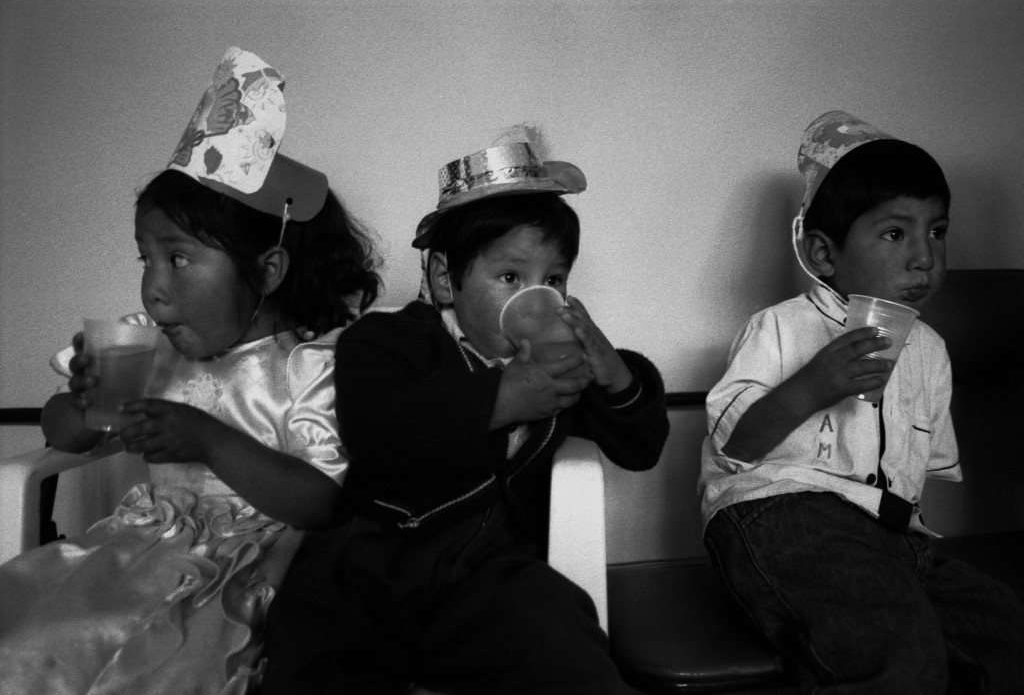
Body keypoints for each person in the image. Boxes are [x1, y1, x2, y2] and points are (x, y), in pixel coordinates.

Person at [0, 48, 380, 695]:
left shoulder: (309, 365)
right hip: (130, 554)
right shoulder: (146, 348)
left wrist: (205, 439)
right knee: (34, 642)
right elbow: (66, 436)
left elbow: (320, 502)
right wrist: (82, 399)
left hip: (241, 571)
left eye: (178, 259)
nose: (152, 289)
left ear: (267, 271)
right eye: (144, 258)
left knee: (169, 669)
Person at [262, 137, 670, 694]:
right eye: (510, 277)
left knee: (555, 625)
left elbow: (642, 447)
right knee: (316, 644)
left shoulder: (564, 367)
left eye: (553, 280)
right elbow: (377, 428)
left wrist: (613, 373)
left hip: (490, 570)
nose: (537, 296)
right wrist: (502, 397)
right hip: (377, 557)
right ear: (443, 279)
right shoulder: (389, 340)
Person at [698, 110, 1024, 693]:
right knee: (897, 652)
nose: (925, 256)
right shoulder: (778, 328)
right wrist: (813, 385)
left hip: (897, 541)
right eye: (896, 233)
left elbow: (917, 477)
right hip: (783, 516)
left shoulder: (928, 351)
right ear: (824, 256)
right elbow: (732, 447)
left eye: (938, 231)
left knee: (1005, 630)